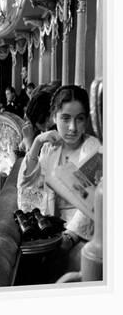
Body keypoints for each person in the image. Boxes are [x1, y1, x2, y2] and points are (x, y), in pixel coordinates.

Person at [17, 85, 102, 271]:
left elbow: (91, 202)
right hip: (53, 229)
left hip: (82, 235)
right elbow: (26, 187)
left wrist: (70, 236)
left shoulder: (93, 148)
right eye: (65, 118)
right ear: (54, 117)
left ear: (87, 119)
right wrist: (37, 143)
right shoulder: (49, 147)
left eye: (79, 119)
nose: (72, 128)